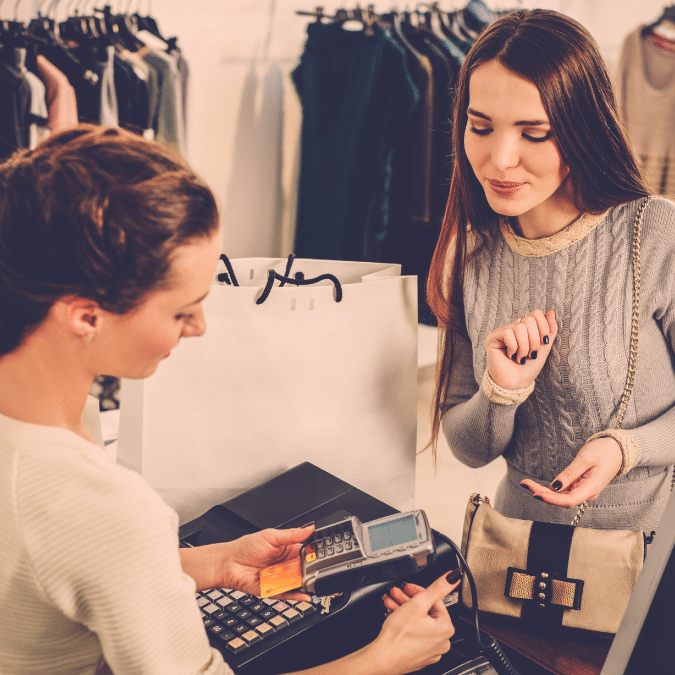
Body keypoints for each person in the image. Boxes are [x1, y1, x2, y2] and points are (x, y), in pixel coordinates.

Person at [0, 125, 459, 675]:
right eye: (180, 310)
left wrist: (215, 562)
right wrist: (383, 660)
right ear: (86, 316)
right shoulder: (108, 505)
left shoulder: (51, 438)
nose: (199, 327)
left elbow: (56, 561)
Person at [426, 9, 675, 532]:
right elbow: (468, 448)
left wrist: (624, 449)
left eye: (534, 133)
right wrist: (500, 390)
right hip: (519, 550)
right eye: (480, 127)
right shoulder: (469, 252)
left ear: (582, 130)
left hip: (650, 549)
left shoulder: (653, 235)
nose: (500, 159)